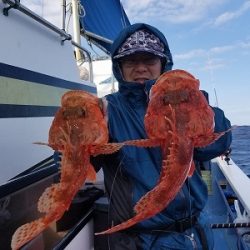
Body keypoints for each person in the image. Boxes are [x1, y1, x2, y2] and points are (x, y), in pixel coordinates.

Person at [91, 23, 232, 250]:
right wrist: (84, 137)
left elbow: (220, 143)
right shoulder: (107, 110)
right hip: (138, 240)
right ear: (119, 66)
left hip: (194, 232)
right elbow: (84, 167)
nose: (141, 68)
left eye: (149, 60)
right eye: (131, 61)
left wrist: (206, 115)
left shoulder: (192, 99)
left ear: (163, 64)